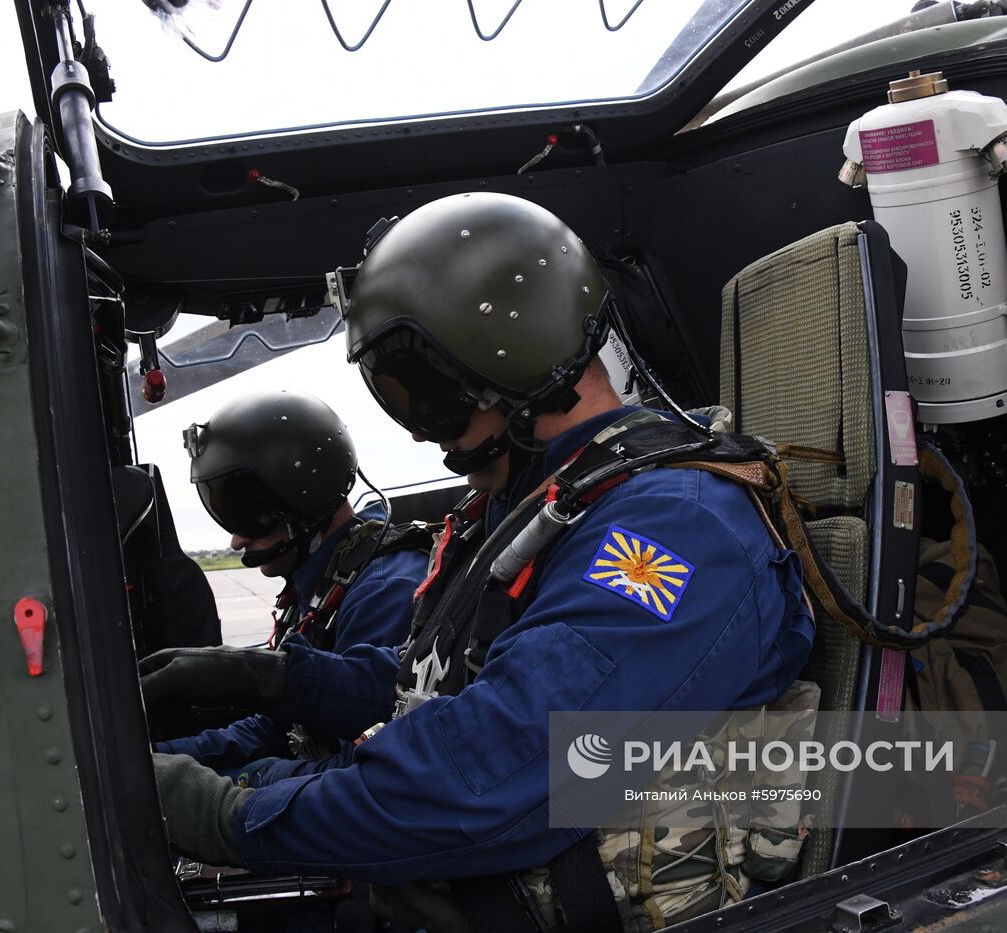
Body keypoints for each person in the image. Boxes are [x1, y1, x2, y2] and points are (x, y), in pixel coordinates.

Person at [147, 193, 816, 931]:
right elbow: (426, 688)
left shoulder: (674, 528)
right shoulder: (533, 508)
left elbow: (502, 765)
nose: (432, 439)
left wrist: (232, 814)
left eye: (431, 400)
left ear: (519, 361)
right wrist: (273, 679)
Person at [144, 389, 428, 782]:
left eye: (246, 515)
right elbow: (279, 730)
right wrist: (153, 760)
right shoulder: (320, 582)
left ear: (301, 498)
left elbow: (368, 765)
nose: (236, 542)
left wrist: (249, 786)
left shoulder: (382, 590)